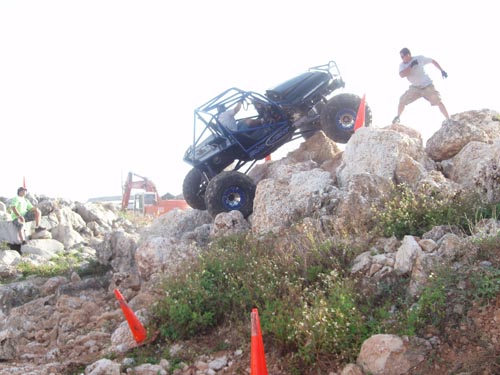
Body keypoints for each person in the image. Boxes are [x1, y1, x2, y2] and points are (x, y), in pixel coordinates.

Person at [393, 47, 449, 124]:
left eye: (403, 56)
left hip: (427, 86)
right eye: (401, 57)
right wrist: (411, 66)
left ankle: (448, 119)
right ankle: (397, 117)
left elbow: (432, 61)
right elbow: (402, 75)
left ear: (408, 55)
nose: (402, 58)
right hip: (415, 88)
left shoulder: (419, 58)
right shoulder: (402, 65)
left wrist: (442, 70)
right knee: (402, 100)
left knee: (438, 101)